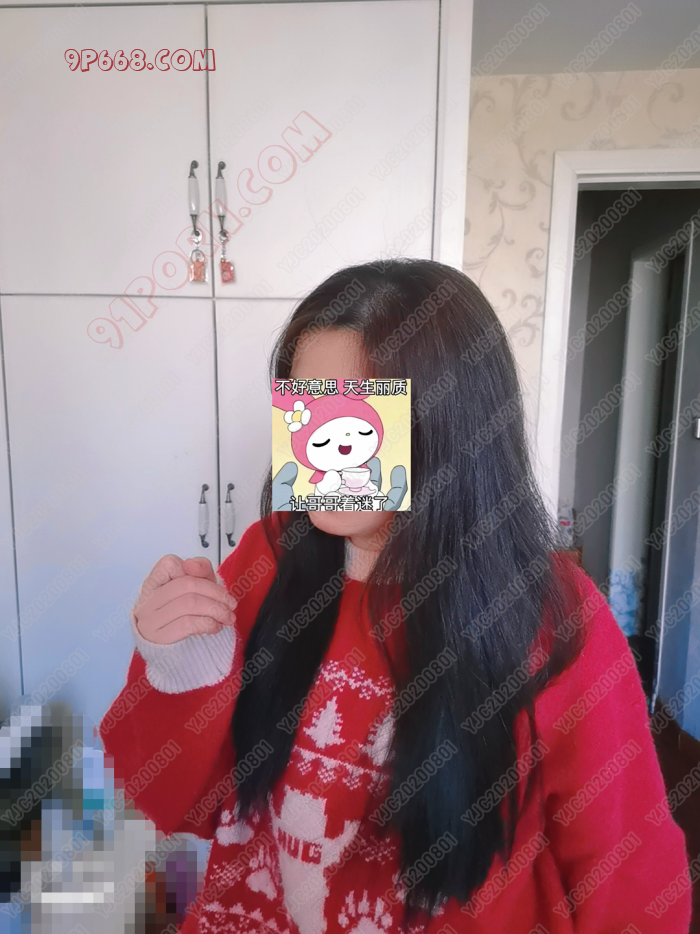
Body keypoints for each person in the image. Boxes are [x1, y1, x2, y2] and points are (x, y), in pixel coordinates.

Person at [100, 258, 691, 934]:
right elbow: (176, 806)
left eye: (357, 413)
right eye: (306, 404)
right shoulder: (268, 557)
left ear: (448, 424)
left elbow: (628, 870)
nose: (323, 445)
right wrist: (181, 672)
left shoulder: (550, 612)